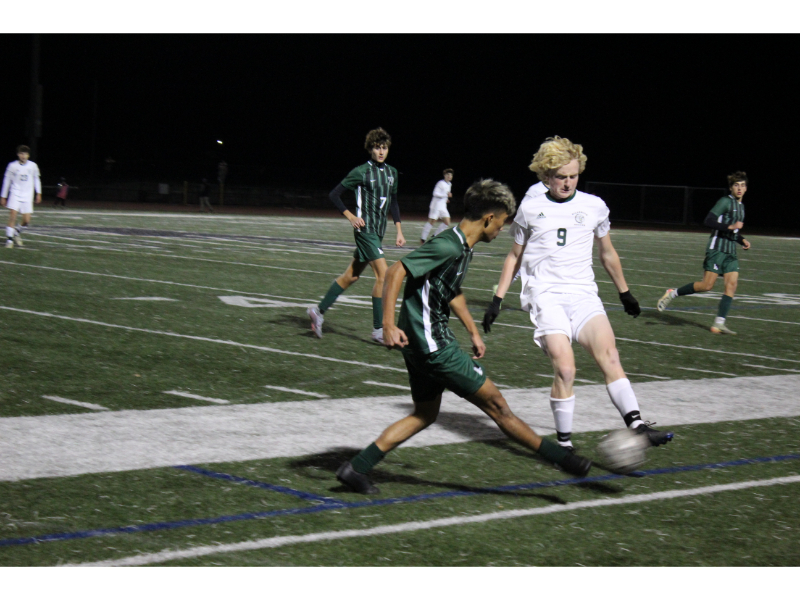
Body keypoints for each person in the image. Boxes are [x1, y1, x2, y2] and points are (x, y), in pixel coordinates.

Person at [335, 179, 592, 494]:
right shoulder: (449, 245)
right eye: (501, 222)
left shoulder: (462, 246)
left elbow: (450, 290)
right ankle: (564, 459)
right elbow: (395, 271)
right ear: (488, 218)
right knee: (498, 406)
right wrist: (388, 324)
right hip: (433, 346)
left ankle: (356, 468)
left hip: (420, 345)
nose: (501, 229)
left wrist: (473, 331)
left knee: (425, 414)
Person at [482, 136, 673, 453]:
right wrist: (497, 300)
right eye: (561, 176)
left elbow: (607, 253)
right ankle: (564, 444)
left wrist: (625, 292)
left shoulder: (594, 206)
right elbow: (515, 256)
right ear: (546, 175)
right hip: (546, 296)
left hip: (584, 295)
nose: (568, 182)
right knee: (566, 369)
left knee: (610, 355)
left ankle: (638, 425)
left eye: (573, 176)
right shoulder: (530, 209)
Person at [307, 127, 405, 344]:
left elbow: (394, 202)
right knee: (384, 275)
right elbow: (334, 194)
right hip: (365, 231)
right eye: (377, 148)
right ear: (370, 149)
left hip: (378, 232)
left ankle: (318, 311)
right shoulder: (361, 171)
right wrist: (351, 216)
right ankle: (378, 330)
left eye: (384, 148)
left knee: (351, 276)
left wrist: (399, 230)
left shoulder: (392, 173)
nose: (381, 151)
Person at [657, 172, 750, 335]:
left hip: (730, 252)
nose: (739, 188)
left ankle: (719, 323)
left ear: (746, 188)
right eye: (736, 185)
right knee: (707, 285)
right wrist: (730, 227)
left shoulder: (741, 207)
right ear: (731, 188)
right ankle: (673, 293)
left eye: (742, 185)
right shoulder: (725, 202)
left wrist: (742, 240)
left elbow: (733, 231)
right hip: (717, 249)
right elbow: (708, 220)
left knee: (732, 285)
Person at [1, 145, 42, 248]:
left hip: (27, 195)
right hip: (15, 193)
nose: (23, 156)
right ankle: (9, 240)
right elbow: (7, 181)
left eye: (25, 154)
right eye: (21, 153)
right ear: (18, 154)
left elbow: (37, 179)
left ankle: (16, 232)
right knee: (13, 216)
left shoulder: (33, 166)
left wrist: (39, 193)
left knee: (26, 221)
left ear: (28, 155)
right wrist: (3, 196)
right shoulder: (12, 166)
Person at [420, 168, 454, 243]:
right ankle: (423, 238)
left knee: (447, 222)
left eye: (451, 175)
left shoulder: (449, 184)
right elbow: (435, 193)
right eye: (448, 174)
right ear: (444, 175)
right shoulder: (440, 183)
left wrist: (446, 199)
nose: (449, 176)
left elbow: (444, 195)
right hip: (436, 205)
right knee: (432, 221)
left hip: (443, 206)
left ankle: (435, 236)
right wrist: (446, 195)